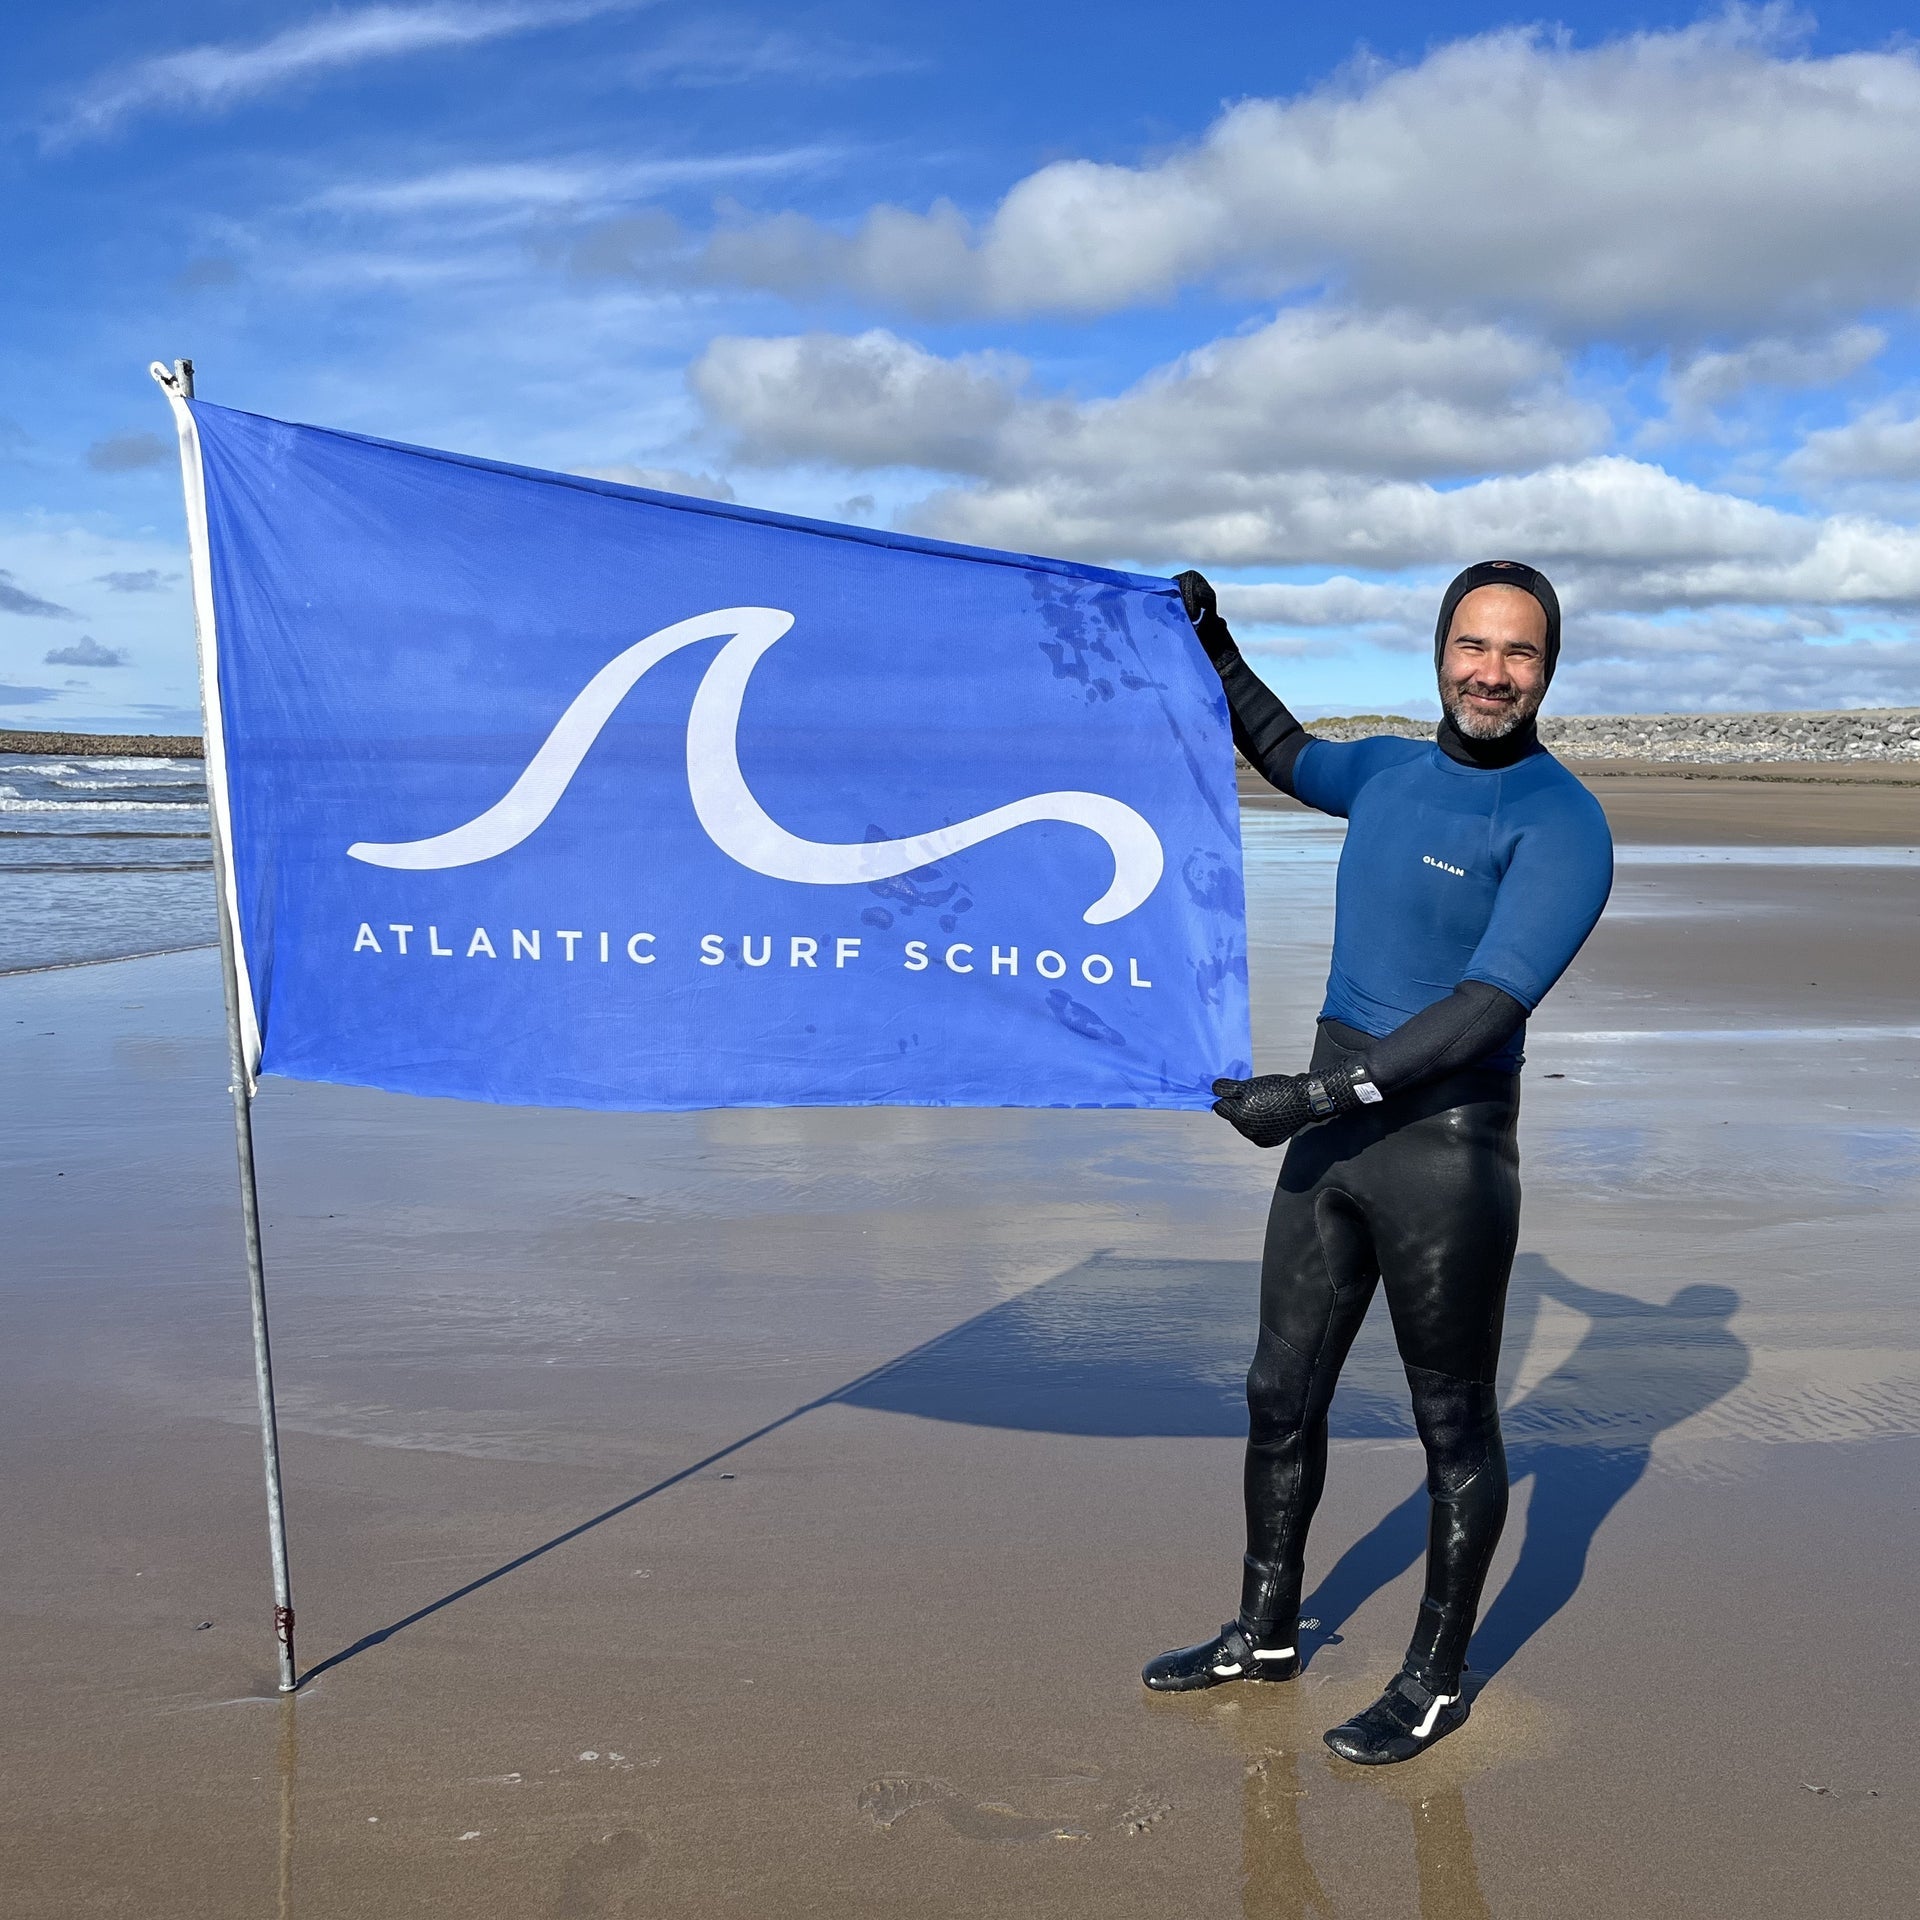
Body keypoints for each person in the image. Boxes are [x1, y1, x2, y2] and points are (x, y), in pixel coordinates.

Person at [1142, 560, 1613, 1766]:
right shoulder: (1393, 773)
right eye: (1473, 644)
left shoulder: (1563, 824)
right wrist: (1210, 636)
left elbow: (1479, 1009)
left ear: (1546, 671)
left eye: (1519, 654)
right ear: (1439, 650)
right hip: (1334, 1139)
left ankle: (1437, 1678)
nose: (1491, 672)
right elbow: (1283, 748)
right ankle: (1264, 1630)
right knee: (1275, 1393)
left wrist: (1308, 1095)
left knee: (1448, 1424)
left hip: (1445, 1157)